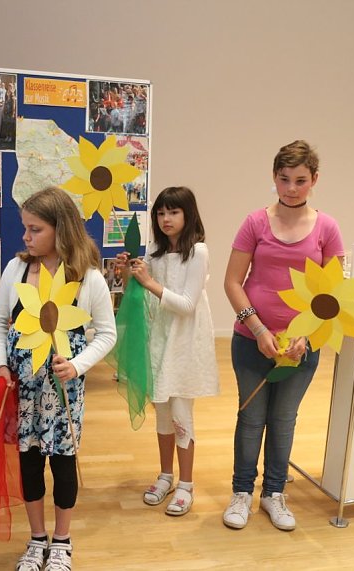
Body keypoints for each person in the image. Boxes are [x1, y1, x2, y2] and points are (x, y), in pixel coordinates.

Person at [0, 187, 116, 571]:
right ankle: (36, 537)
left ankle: (61, 540)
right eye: (25, 228)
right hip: (22, 391)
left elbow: (107, 334)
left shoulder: (88, 278)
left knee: (63, 465)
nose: (25, 237)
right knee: (28, 465)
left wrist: (77, 365)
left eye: (34, 229)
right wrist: (1, 366)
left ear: (61, 230)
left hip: (63, 393)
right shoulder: (15, 269)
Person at [222, 140, 345, 531]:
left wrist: (306, 337)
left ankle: (273, 493)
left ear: (315, 180)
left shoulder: (327, 227)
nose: (291, 188)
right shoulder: (255, 222)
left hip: (301, 346)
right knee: (251, 416)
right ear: (273, 177)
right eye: (284, 179)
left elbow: (336, 293)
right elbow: (232, 282)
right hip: (251, 341)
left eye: (300, 180)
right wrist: (257, 329)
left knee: (283, 418)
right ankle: (242, 491)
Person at [118, 186, 220, 517]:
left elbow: (187, 305)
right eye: (160, 213)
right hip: (158, 341)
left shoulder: (199, 252)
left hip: (184, 344)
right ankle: (165, 475)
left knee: (180, 414)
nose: (166, 219)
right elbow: (138, 296)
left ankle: (186, 483)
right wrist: (127, 274)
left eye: (173, 212)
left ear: (188, 215)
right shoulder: (155, 254)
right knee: (161, 411)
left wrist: (148, 282)